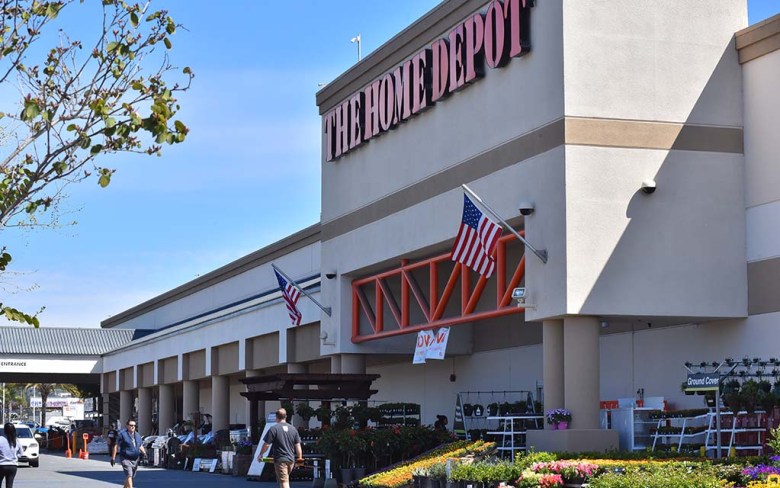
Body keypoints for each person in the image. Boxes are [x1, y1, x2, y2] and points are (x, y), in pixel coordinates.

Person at [257, 408, 303, 488]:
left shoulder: (273, 429)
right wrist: (299, 459)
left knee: (284, 482)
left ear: (276, 417)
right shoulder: (293, 429)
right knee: (284, 480)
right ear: (286, 416)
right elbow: (298, 445)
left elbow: (266, 444)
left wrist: (261, 454)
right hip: (291, 460)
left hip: (280, 460)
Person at [111, 418, 146, 488]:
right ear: (127, 426)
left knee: (131, 476)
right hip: (125, 458)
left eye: (134, 425)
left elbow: (140, 445)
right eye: (131, 425)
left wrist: (145, 453)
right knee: (129, 474)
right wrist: (113, 458)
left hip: (135, 459)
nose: (133, 427)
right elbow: (116, 446)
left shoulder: (137, 435)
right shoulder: (122, 435)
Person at [0, 423, 24, 488]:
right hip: (13, 466)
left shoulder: (1, 439)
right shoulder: (16, 440)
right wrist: (14, 456)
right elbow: (21, 453)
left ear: (4, 430)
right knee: (9, 485)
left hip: (1, 465)